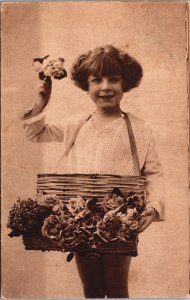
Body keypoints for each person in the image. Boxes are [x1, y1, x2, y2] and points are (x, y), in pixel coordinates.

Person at [21, 45, 165, 298]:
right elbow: (35, 134)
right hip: (78, 220)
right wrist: (41, 102)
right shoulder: (76, 124)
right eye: (96, 80)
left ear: (126, 82)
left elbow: (153, 173)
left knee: (118, 288)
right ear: (86, 86)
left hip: (119, 220)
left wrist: (152, 209)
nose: (105, 87)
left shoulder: (140, 129)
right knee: (92, 290)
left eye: (114, 79)